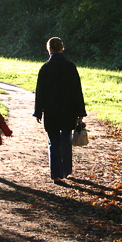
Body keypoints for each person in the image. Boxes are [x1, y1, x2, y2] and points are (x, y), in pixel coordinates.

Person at [33, 37, 87, 184]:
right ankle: (66, 170)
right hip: (68, 111)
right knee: (66, 141)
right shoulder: (70, 67)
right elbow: (77, 91)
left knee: (54, 143)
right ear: (62, 48)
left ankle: (56, 174)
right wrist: (80, 112)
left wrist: (38, 112)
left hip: (51, 112)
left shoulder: (45, 68)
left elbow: (40, 92)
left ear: (49, 48)